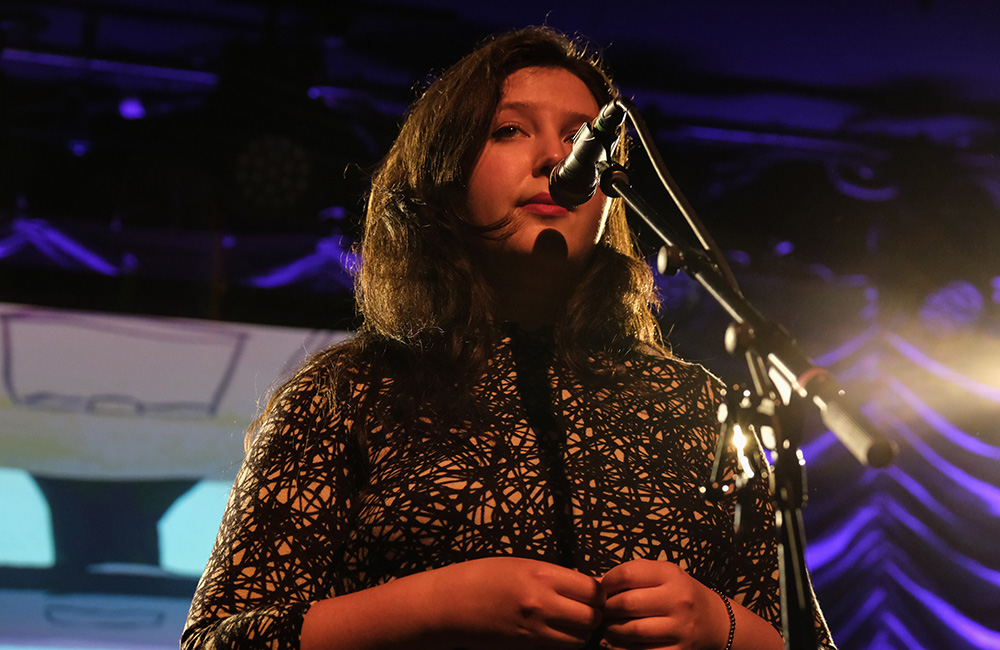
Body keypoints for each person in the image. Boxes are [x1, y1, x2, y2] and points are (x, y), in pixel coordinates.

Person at [182, 26, 836, 650]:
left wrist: (720, 626)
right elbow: (219, 640)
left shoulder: (697, 407)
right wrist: (439, 606)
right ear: (443, 175)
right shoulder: (346, 395)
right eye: (510, 131)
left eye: (581, 139)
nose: (557, 158)